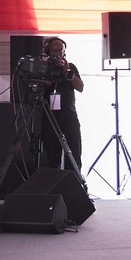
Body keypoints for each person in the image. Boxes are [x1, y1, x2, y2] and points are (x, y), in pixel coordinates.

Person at [41, 37, 85, 169]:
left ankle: (73, 180)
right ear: (48, 51)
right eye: (55, 50)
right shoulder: (43, 67)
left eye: (61, 50)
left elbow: (80, 87)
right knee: (52, 156)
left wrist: (67, 71)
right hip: (50, 117)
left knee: (74, 154)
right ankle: (54, 180)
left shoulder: (70, 67)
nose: (59, 53)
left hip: (69, 117)